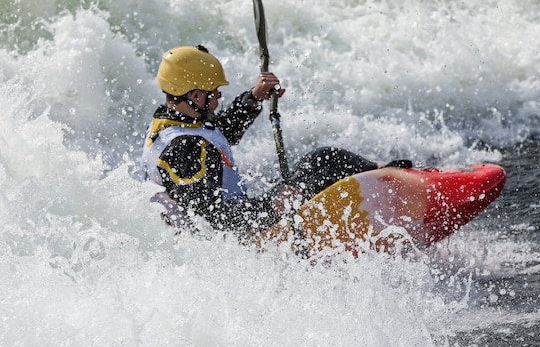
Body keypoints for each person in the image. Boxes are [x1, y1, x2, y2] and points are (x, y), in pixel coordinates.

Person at [142, 45, 408, 237]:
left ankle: (395, 173)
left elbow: (219, 131)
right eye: (214, 93)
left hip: (235, 222)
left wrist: (254, 97)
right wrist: (272, 205)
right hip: (234, 240)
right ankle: (402, 179)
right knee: (324, 161)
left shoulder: (172, 120)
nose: (219, 98)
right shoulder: (184, 151)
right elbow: (215, 220)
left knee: (323, 162)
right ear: (195, 96)